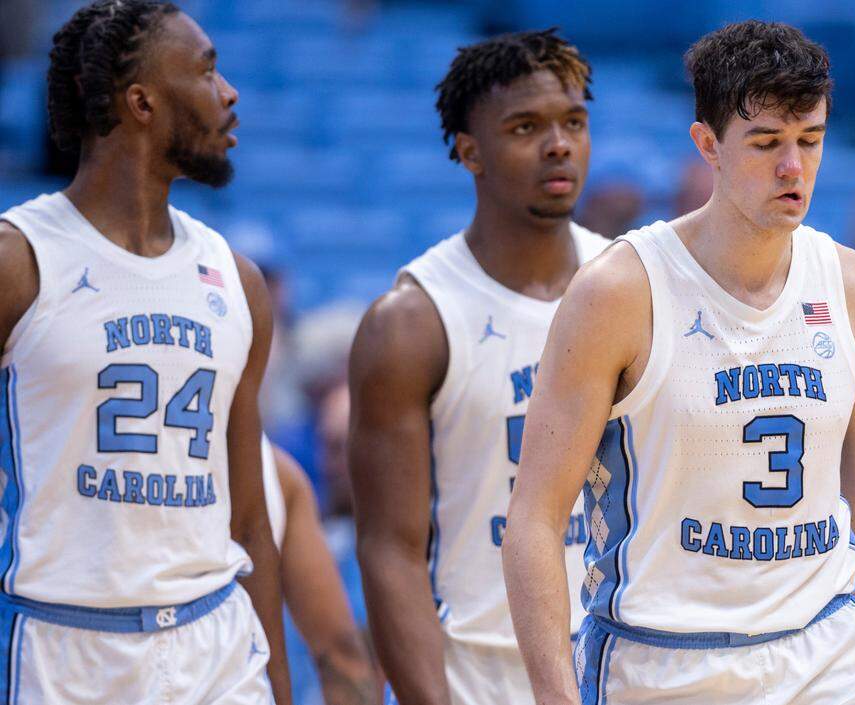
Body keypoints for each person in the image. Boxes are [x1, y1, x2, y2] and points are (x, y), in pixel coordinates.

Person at [503, 20, 855, 705]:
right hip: (664, 662)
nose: (793, 167)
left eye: (810, 141)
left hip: (825, 659)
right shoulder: (619, 292)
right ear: (708, 147)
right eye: (766, 143)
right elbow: (535, 520)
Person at [0, 1, 290, 702]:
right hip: (65, 646)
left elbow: (249, 517)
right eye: (208, 70)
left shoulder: (238, 279)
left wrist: (279, 686)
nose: (229, 93)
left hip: (216, 643)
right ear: (142, 102)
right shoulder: (20, 260)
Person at [348, 29, 607, 705]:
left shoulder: (634, 284)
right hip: (485, 674)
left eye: (573, 124)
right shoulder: (411, 322)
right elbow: (389, 551)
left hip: (627, 659)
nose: (559, 144)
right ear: (470, 152)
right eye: (526, 127)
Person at [262, 437, 382, 704]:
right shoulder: (273, 474)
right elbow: (341, 653)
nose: (342, 463)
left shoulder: (276, 475)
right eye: (333, 448)